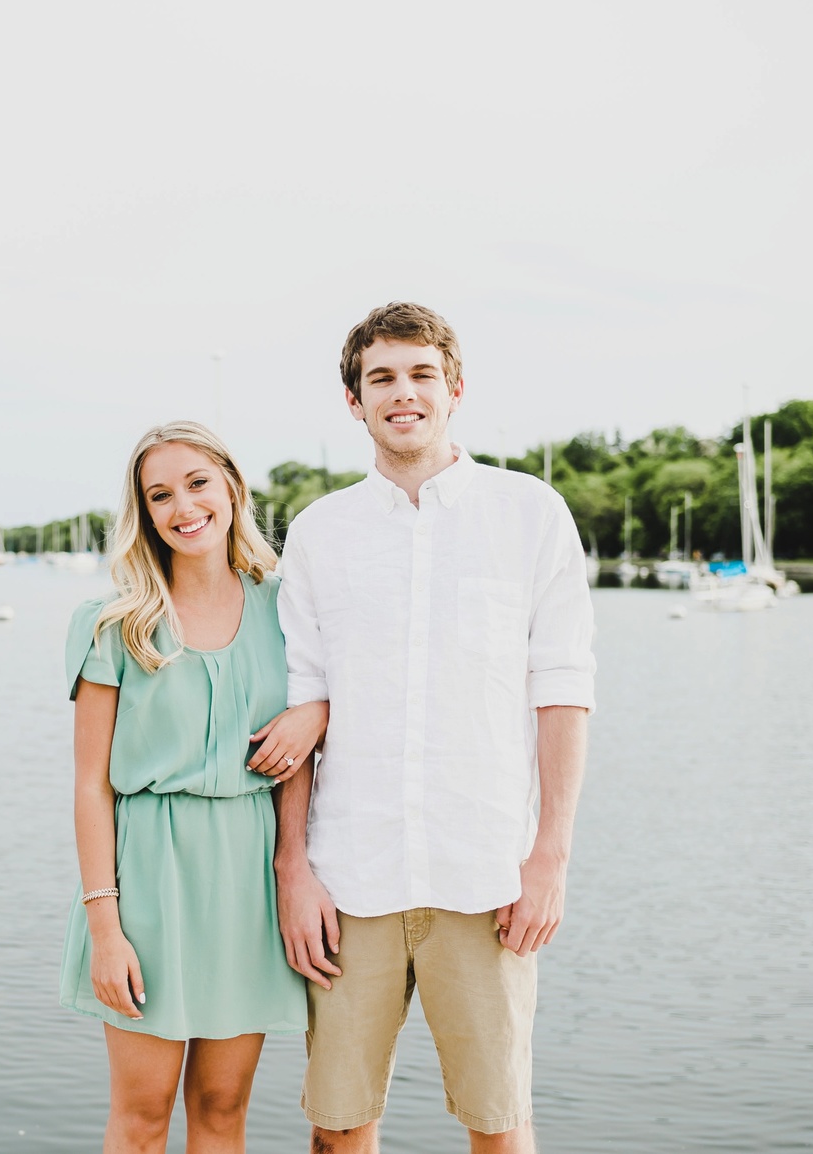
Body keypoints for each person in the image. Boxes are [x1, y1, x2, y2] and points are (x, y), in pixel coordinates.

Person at [273, 302, 596, 1153]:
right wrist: (293, 870)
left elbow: (563, 692)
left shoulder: (530, 514)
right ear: (355, 401)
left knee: (499, 1128)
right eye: (381, 378)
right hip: (350, 880)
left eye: (420, 374)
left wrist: (550, 858)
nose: (402, 393)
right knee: (339, 1129)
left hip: (487, 873)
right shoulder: (317, 534)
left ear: (455, 388)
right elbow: (301, 707)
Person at [59, 421, 329, 1153]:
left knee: (220, 1110)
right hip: (147, 887)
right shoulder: (113, 625)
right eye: (160, 495)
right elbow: (91, 788)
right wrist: (104, 927)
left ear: (234, 489)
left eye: (198, 483)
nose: (184, 506)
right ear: (144, 514)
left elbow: (353, 692)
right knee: (142, 1119)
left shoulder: (288, 610)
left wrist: (316, 709)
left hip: (249, 883)